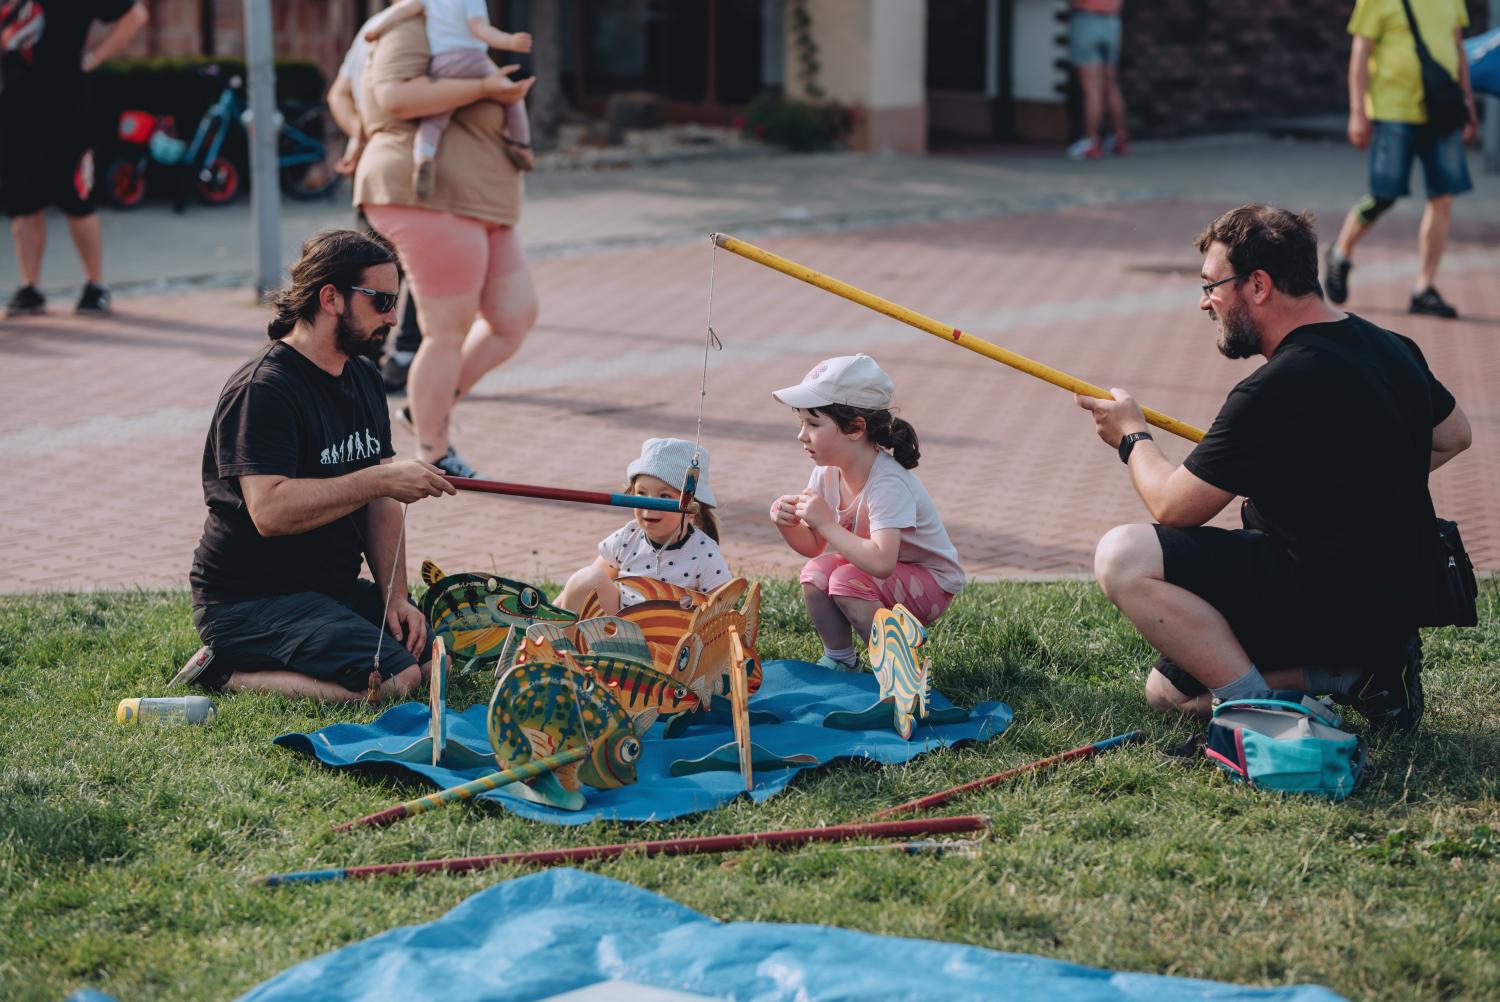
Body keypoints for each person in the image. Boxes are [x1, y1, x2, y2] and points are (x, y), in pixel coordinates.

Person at [1076, 204, 1471, 734]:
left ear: (1258, 285)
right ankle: (1361, 675)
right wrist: (1351, 475)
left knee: (1122, 556)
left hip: (1324, 593)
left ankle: (1258, 711)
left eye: (1212, 285)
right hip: (1392, 598)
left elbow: (1173, 506)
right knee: (1168, 694)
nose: (1204, 302)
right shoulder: (1393, 346)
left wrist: (1132, 435)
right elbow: (1453, 434)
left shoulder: (1276, 387)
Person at [177, 230, 457, 702]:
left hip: (328, 590)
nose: (393, 317)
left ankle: (333, 637)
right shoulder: (263, 389)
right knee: (397, 680)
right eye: (382, 302)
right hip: (250, 601)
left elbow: (381, 503)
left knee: (434, 658)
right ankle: (223, 673)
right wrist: (378, 479)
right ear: (331, 298)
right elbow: (270, 512)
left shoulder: (363, 375)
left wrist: (395, 597)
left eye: (396, 302)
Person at [356, 13, 537, 479]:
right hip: (432, 196)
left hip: (485, 199)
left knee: (514, 316)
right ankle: (433, 451)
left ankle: (427, 409)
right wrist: (485, 88)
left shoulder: (460, 24)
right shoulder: (409, 25)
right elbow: (394, 98)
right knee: (446, 330)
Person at [769, 355, 965, 671]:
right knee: (815, 574)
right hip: (881, 575)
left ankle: (897, 670)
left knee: (845, 581)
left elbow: (882, 563)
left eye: (814, 424)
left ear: (856, 428)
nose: (802, 435)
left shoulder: (888, 483)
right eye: (802, 422)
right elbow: (814, 547)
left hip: (931, 584)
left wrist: (826, 523)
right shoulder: (826, 473)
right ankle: (841, 660)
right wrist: (787, 523)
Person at [1324, 0, 1480, 319]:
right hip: (1392, 112)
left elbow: (1458, 50)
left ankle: (1424, 288)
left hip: (1442, 110)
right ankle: (1341, 251)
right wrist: (1357, 111)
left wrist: (1467, 103)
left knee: (1443, 198)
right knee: (1383, 195)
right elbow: (1361, 52)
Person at [2, 0, 147, 317]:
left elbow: (135, 15)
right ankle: (30, 288)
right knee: (23, 204)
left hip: (66, 112)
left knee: (76, 196)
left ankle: (95, 285)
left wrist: (94, 57)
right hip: (15, 111)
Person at [326, 3, 425, 393]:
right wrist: (363, 133)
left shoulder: (378, 26)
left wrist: (362, 136)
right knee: (393, 269)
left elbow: (339, 94)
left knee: (379, 268)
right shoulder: (391, 28)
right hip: (408, 170)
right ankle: (392, 357)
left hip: (384, 168)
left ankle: (381, 358)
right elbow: (339, 94)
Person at [363, 0, 534, 194]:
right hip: (473, 60)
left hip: (441, 64)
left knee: (436, 115)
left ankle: (424, 156)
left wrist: (376, 29)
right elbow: (480, 29)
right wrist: (508, 41)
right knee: (512, 95)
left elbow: (402, 10)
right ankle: (521, 145)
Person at [555, 439, 730, 615]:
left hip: (675, 631)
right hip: (620, 628)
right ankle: (563, 633)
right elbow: (582, 585)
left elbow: (721, 610)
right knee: (586, 578)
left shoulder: (705, 554)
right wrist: (554, 612)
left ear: (692, 509)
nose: (649, 505)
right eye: (641, 493)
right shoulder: (627, 538)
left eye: (664, 496)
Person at [1065, 0, 1129, 161]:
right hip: (1111, 21)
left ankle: (1091, 140)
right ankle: (1119, 138)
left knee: (1092, 87)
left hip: (1087, 21)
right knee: (1111, 84)